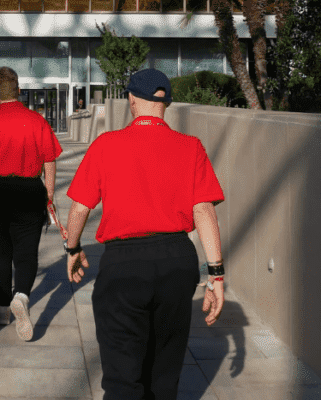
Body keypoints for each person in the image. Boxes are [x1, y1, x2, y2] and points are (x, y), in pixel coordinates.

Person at [64, 68, 226, 399]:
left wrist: (73, 248)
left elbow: (80, 208)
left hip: (124, 264)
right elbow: (204, 210)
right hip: (177, 260)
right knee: (164, 376)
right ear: (165, 103)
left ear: (132, 100)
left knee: (123, 376)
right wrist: (217, 275)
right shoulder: (190, 146)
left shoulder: (107, 144)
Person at [0, 66, 63, 341]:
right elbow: (49, 161)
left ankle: (1, 309)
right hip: (28, 190)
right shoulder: (36, 121)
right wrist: (50, 196)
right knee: (26, 252)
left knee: (0, 251)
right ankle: (21, 296)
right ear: (18, 90)